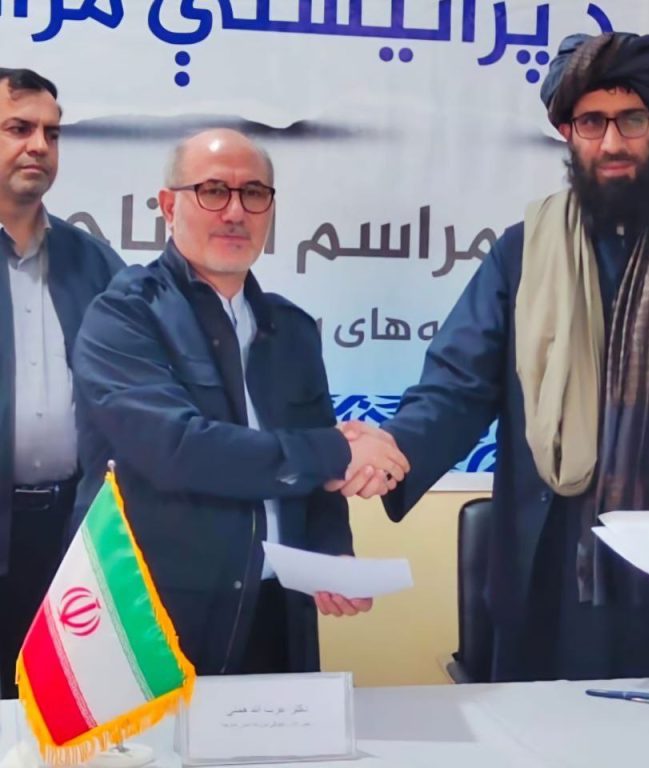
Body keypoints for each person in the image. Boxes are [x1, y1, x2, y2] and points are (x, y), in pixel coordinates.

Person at [346, 31, 649, 682]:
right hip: (552, 571)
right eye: (592, 122)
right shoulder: (522, 253)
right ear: (567, 132)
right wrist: (395, 448)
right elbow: (458, 386)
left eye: (631, 120)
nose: (612, 143)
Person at [72, 129, 409, 674]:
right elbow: (178, 450)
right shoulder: (124, 316)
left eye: (253, 193)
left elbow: (318, 482)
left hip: (278, 609)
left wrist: (332, 552)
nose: (234, 212)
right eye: (213, 191)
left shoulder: (292, 329)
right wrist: (338, 451)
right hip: (155, 614)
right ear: (168, 206)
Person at [0, 68, 123, 698]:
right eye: (18, 128)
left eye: (51, 133)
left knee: (64, 708)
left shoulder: (93, 261)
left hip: (72, 535)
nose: (39, 146)